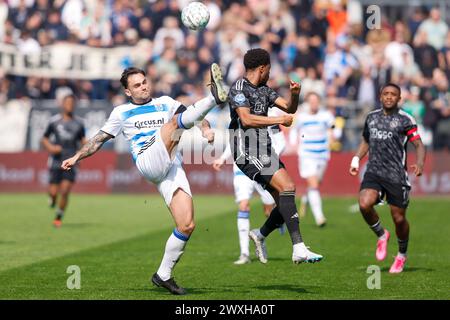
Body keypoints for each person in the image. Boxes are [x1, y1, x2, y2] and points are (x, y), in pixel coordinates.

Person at [61, 64, 228, 294]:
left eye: (144, 82)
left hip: (170, 163)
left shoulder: (165, 103)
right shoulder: (120, 113)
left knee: (187, 224)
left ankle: (163, 275)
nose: (143, 87)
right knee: (172, 125)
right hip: (147, 159)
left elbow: (192, 115)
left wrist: (205, 129)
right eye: (137, 85)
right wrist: (77, 156)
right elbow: (99, 139)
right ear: (128, 91)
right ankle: (214, 98)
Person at [228, 48, 323, 264]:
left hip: (263, 148)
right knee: (288, 188)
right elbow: (246, 120)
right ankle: (298, 248)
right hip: (246, 150)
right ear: (262, 68)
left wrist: (296, 95)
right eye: (269, 69)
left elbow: (289, 108)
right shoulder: (239, 89)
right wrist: (278, 120)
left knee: (284, 199)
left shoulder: (265, 90)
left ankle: (259, 235)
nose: (270, 73)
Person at [349, 83, 426, 273]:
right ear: (380, 96)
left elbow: (418, 144)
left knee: (399, 219)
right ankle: (382, 235)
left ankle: (401, 255)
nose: (389, 97)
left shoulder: (405, 119)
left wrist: (420, 163)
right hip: (374, 171)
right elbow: (366, 140)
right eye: (386, 94)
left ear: (399, 99)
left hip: (396, 175)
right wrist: (356, 158)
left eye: (393, 94)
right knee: (364, 203)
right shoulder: (371, 117)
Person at [212, 111, 286, 265]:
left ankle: (262, 236)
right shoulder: (238, 114)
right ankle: (244, 254)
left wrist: (271, 158)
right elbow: (234, 142)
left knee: (269, 210)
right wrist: (222, 158)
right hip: (242, 168)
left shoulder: (268, 114)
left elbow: (281, 142)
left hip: (264, 167)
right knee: (244, 205)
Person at [289, 91, 342, 227]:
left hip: (322, 154)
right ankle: (319, 217)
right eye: (311, 101)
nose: (313, 103)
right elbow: (294, 130)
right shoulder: (302, 117)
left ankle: (306, 199)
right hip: (307, 154)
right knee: (313, 184)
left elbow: (334, 128)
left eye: (315, 101)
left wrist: (335, 134)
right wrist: (294, 143)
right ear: (307, 103)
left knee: (316, 183)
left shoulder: (326, 115)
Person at [41, 87, 86, 228]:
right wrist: (51, 148)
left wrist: (84, 150)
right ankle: (53, 199)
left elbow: (83, 140)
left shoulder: (79, 123)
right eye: (67, 103)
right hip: (56, 160)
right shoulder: (54, 122)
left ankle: (58, 217)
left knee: (65, 190)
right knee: (54, 192)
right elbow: (44, 138)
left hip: (71, 161)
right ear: (62, 104)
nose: (70, 105)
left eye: (72, 103)